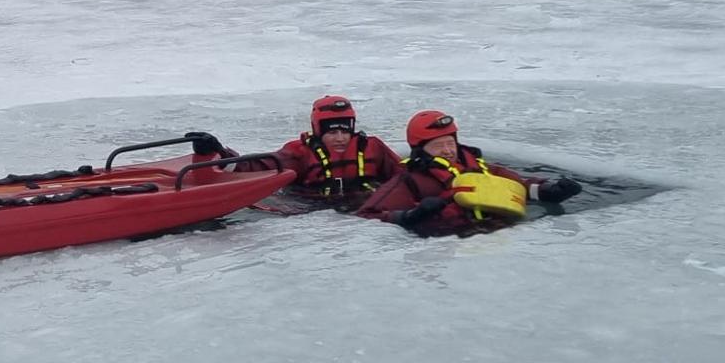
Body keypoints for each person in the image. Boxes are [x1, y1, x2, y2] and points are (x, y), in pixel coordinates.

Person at [357, 110, 583, 237]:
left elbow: (519, 186)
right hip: (450, 243)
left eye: (450, 143)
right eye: (438, 146)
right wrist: (411, 216)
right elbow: (368, 216)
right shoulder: (408, 180)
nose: (447, 151)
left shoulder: (478, 167)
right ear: (420, 150)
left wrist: (550, 191)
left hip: (500, 235)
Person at [229, 95, 403, 207]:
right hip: (312, 211)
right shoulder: (300, 152)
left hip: (363, 207)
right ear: (319, 132)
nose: (340, 138)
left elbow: (404, 175)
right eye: (333, 132)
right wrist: (224, 156)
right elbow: (262, 165)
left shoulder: (373, 147)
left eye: (345, 132)